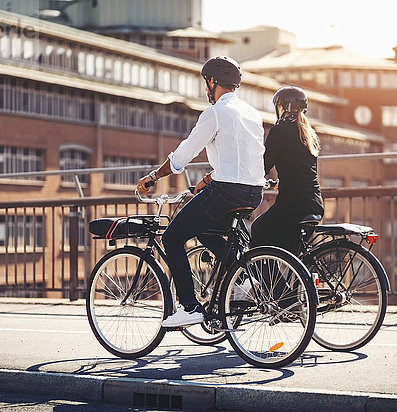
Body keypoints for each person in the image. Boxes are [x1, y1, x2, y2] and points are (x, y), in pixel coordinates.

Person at [137, 56, 266, 328]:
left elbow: (183, 155)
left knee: (173, 237)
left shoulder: (215, 113)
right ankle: (244, 279)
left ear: (212, 82)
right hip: (254, 192)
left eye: (205, 83)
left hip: (226, 191)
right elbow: (241, 158)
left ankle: (189, 307)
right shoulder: (252, 113)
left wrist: (153, 176)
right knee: (207, 230)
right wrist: (208, 179)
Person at [251, 86, 324, 255]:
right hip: (314, 204)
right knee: (291, 254)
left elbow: (263, 166)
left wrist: (248, 176)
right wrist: (281, 182)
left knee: (258, 231)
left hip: (293, 205)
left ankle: (275, 283)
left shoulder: (279, 131)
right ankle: (298, 281)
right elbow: (302, 170)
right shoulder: (308, 134)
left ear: (283, 108)